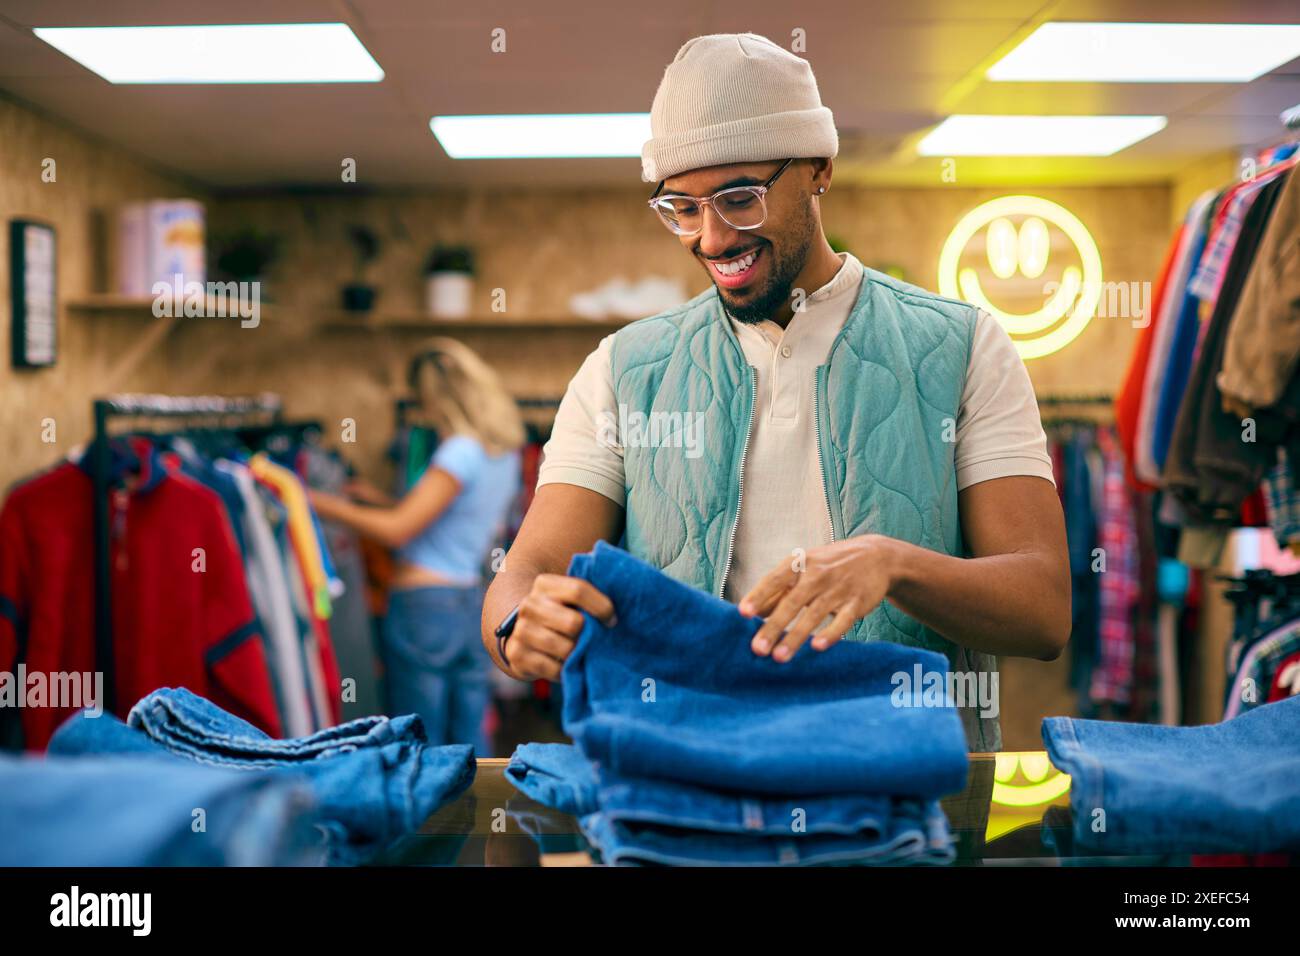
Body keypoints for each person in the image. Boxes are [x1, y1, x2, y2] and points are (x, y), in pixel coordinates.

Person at [481, 32, 1072, 752]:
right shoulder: (621, 369)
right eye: (682, 209)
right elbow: (527, 572)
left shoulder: (963, 346)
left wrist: (894, 564)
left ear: (819, 169)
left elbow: (1043, 609)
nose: (711, 237)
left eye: (739, 198)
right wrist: (520, 624)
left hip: (901, 798)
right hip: (684, 794)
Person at [312, 338, 522, 756]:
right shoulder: (504, 451)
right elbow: (447, 514)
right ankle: (478, 819)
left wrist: (315, 501)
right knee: (470, 741)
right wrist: (375, 497)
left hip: (424, 606)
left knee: (419, 744)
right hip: (470, 603)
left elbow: (397, 531)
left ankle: (425, 824)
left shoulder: (457, 452)